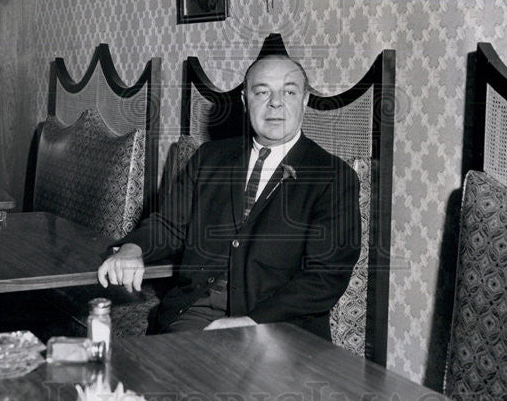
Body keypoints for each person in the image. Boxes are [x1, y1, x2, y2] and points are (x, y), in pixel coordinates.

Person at [96, 54, 361, 340]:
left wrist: (250, 322)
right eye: (262, 92)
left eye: (288, 91)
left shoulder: (333, 176)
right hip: (195, 314)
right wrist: (133, 249)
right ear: (246, 102)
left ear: (305, 100)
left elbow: (324, 278)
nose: (275, 102)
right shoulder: (209, 158)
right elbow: (168, 225)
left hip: (279, 328)